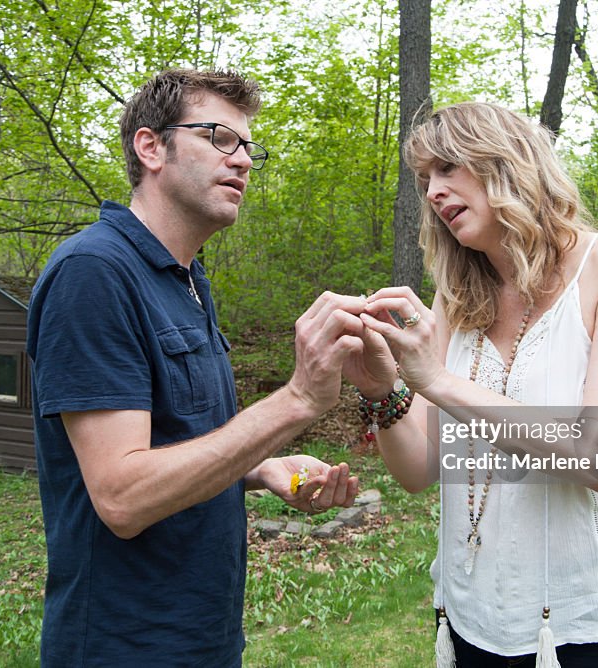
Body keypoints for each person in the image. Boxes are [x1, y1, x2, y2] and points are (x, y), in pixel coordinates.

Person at [26, 69, 363, 667]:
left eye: (248, 146)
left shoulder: (187, 279)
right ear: (151, 147)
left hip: (204, 639)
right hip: (123, 648)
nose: (244, 161)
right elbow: (123, 497)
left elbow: (180, 442)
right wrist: (298, 400)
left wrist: (264, 469)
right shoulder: (94, 273)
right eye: (219, 138)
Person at [343, 102, 598, 666]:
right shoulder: (458, 298)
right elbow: (419, 470)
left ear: (507, 160)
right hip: (473, 617)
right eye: (425, 180)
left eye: (448, 168)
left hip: (592, 629)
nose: (432, 192)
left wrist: (437, 381)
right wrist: (383, 391)